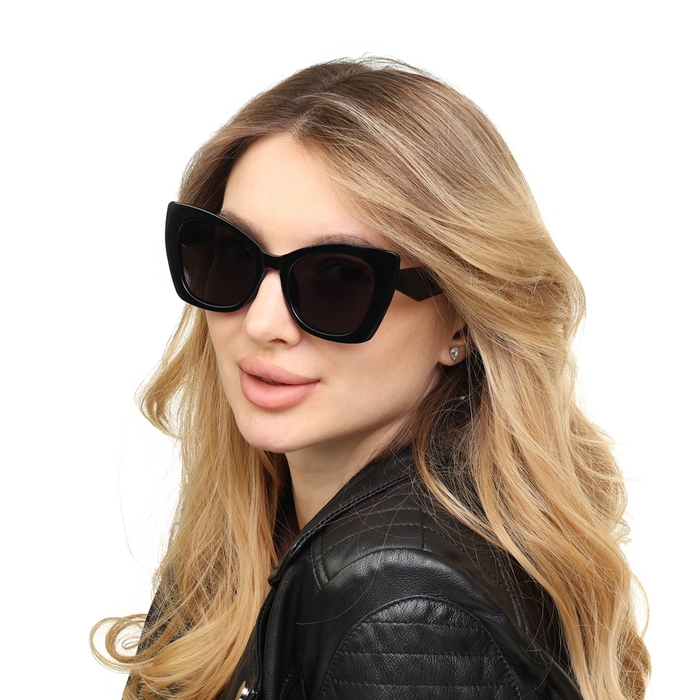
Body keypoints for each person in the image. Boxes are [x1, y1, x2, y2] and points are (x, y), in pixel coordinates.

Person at [93, 58, 650, 700]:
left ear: (460, 318)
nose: (263, 322)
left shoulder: (396, 604)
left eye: (338, 277)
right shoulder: (257, 539)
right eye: (231, 255)